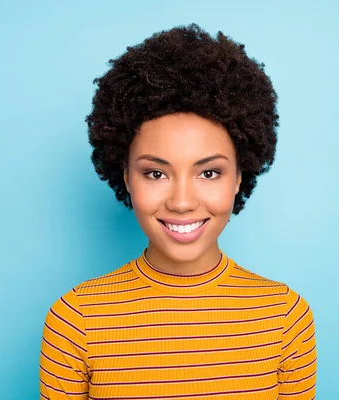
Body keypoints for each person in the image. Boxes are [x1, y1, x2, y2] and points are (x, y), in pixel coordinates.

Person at [39, 23, 317, 399]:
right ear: (125, 176)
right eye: (155, 173)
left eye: (209, 172)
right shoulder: (75, 321)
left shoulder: (285, 317)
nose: (182, 201)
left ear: (239, 176)